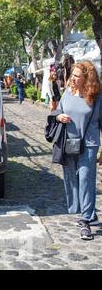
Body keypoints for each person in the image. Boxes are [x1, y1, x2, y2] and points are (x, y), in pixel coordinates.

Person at [55, 61, 102, 240]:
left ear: (86, 78)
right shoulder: (67, 92)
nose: (73, 78)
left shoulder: (96, 96)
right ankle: (86, 211)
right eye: (72, 75)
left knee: (86, 180)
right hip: (69, 143)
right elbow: (57, 111)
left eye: (77, 76)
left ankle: (85, 221)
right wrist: (59, 116)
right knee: (72, 180)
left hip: (89, 144)